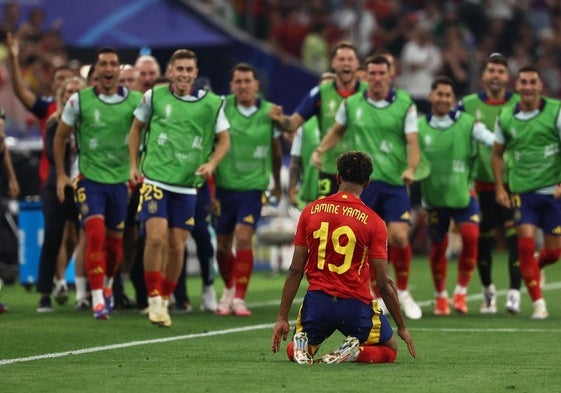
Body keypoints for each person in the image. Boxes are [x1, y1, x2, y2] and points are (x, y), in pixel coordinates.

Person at [271, 151, 416, 364]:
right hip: (354, 304)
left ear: (337, 178)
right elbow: (384, 282)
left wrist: (282, 317)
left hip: (317, 302)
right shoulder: (374, 222)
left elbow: (295, 269)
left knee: (295, 348)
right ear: (367, 182)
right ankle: (354, 352)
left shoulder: (311, 211)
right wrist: (402, 326)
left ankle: (299, 347)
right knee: (389, 349)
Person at [311, 55, 423, 320]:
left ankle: (403, 292)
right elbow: (338, 130)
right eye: (371, 73)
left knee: (398, 237)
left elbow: (413, 142)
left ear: (389, 75)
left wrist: (410, 168)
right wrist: (321, 149)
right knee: (366, 239)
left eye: (380, 73)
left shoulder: (405, 104)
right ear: (366, 76)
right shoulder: (351, 104)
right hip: (365, 184)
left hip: (395, 181)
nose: (375, 78)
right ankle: (373, 292)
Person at [129, 49, 230, 327]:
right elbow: (136, 128)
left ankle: (164, 298)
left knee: (176, 246)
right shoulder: (154, 96)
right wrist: (133, 165)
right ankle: (152, 298)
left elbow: (224, 141)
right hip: (155, 180)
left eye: (189, 70)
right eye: (180, 69)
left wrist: (211, 164)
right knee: (156, 239)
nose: (184, 74)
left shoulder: (212, 103)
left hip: (187, 185)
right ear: (170, 72)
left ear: (195, 74)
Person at [54, 47, 143, 320]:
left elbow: (148, 134)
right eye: (103, 64)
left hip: (119, 183)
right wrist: (61, 175)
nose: (108, 68)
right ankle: (96, 300)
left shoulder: (137, 101)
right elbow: (60, 137)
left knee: (115, 248)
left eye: (113, 64)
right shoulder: (78, 102)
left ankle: (106, 288)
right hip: (88, 179)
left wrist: (136, 167)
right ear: (95, 71)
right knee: (93, 234)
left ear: (119, 70)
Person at [418, 76, 496, 315]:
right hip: (433, 197)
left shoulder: (468, 123)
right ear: (431, 96)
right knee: (438, 247)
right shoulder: (418, 127)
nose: (443, 99)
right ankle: (441, 296)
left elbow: (493, 141)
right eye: (439, 94)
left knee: (471, 237)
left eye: (447, 95)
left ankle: (461, 292)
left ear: (453, 99)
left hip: (463, 194)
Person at [492, 65, 561, 320]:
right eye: (524, 82)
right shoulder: (506, 116)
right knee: (524, 243)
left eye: (533, 81)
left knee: (554, 253)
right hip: (523, 192)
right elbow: (497, 154)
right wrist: (500, 186)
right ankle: (539, 304)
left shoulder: (556, 112)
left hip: (552, 192)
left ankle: (537, 263)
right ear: (516, 85)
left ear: (540, 86)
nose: (529, 86)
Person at [214, 62, 281, 316]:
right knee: (222, 246)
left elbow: (276, 152)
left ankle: (239, 297)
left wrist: (275, 183)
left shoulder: (269, 112)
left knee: (243, 236)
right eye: (238, 82)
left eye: (247, 81)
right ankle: (229, 288)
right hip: (223, 187)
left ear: (256, 84)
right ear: (231, 85)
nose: (243, 86)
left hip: (253, 187)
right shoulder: (220, 108)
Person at [458, 53, 521, 314]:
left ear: (507, 77)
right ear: (483, 75)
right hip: (480, 184)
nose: (495, 75)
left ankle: (515, 294)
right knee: (482, 241)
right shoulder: (467, 105)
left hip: (514, 183)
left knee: (516, 237)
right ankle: (488, 292)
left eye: (500, 71)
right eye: (491, 70)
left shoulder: (520, 104)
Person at [269, 42, 367, 199]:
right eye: (341, 59)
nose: (346, 63)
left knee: (360, 222)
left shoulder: (368, 93)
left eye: (350, 59)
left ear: (357, 64)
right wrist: (279, 119)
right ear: (333, 63)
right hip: (330, 169)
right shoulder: (320, 93)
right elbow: (293, 123)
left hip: (362, 172)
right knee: (328, 221)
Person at [36, 76, 85, 313]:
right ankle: (44, 294)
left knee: (88, 237)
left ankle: (88, 293)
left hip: (85, 185)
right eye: (68, 92)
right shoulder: (54, 123)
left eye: (76, 91)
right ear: (61, 96)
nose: (71, 96)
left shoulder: (91, 123)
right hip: (58, 185)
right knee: (53, 237)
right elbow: (50, 153)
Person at [288, 72, 335, 209]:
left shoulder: (347, 123)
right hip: (309, 195)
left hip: (337, 194)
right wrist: (292, 187)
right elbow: (295, 161)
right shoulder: (305, 124)